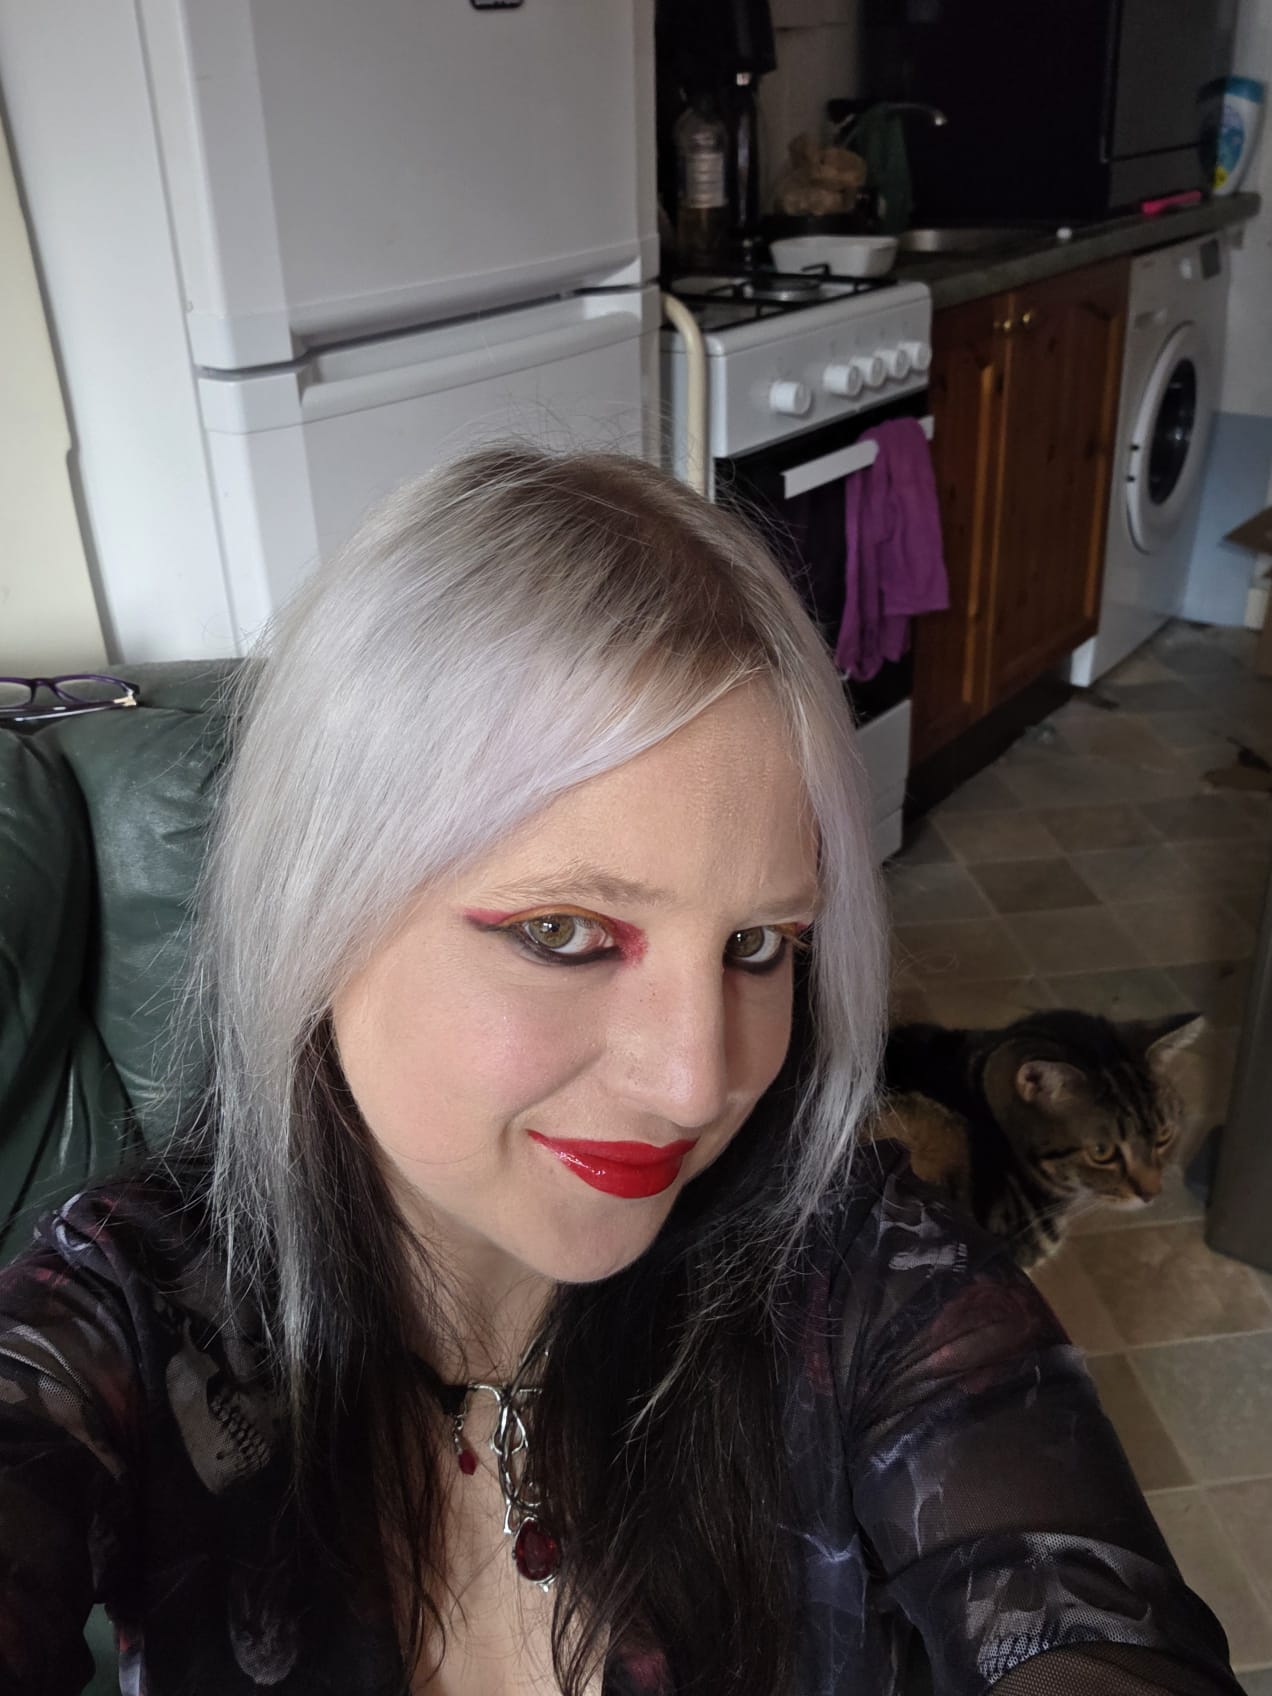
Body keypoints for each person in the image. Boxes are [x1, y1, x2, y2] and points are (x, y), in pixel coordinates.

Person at [0, 447, 1241, 1696]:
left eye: (757, 945)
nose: (698, 1083)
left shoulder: (861, 1280)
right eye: (563, 932)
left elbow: (1081, 1611)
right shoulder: (122, 1316)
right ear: (313, 912)